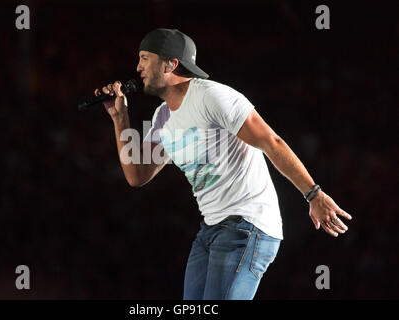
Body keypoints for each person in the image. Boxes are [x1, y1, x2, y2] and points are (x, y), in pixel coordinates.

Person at [94, 28, 352, 300]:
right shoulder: (162, 118)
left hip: (246, 226)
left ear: (171, 63)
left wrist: (313, 194)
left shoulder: (211, 97)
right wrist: (119, 118)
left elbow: (271, 142)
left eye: (145, 58)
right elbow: (137, 175)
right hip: (210, 230)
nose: (137, 67)